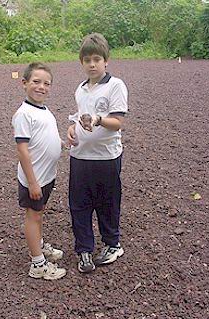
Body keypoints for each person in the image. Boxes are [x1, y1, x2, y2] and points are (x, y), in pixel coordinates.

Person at [67, 33, 129, 273]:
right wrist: (72, 128)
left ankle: (113, 244)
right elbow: (79, 116)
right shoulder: (80, 89)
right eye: (87, 60)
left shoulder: (115, 85)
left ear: (106, 61)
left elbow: (118, 122)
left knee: (107, 203)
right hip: (80, 156)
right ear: (81, 62)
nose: (92, 64)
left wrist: (99, 119)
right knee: (79, 205)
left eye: (96, 59)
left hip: (106, 157)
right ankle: (84, 250)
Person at [12, 62, 66, 280]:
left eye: (46, 83)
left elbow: (45, 138)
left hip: (46, 176)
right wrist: (32, 182)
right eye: (36, 82)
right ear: (24, 83)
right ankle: (38, 265)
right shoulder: (24, 114)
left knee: (38, 213)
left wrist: (62, 142)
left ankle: (39, 245)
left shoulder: (43, 110)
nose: (41, 87)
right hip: (35, 178)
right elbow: (23, 151)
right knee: (33, 216)